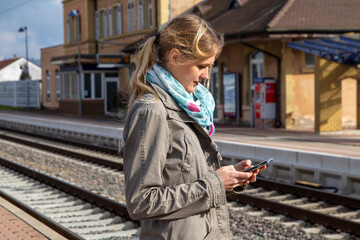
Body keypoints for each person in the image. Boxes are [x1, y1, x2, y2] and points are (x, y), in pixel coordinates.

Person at [121, 14, 265, 239]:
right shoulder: (153, 110)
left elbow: (187, 179)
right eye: (201, 65)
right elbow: (141, 202)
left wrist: (230, 178)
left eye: (210, 66)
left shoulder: (188, 107)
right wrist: (216, 182)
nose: (207, 75)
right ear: (175, 57)